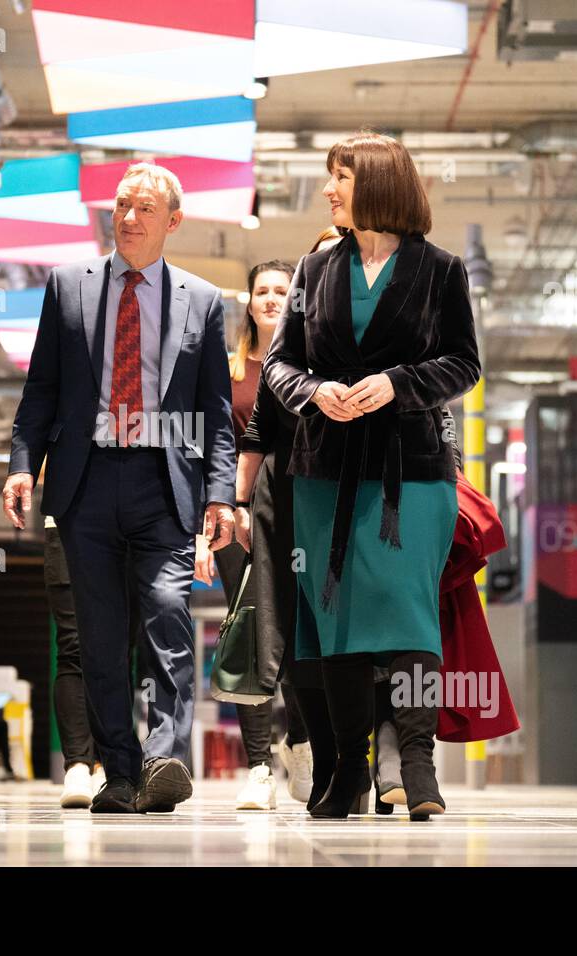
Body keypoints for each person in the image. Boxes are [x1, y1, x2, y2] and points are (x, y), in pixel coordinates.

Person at [4, 162, 237, 814]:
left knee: (166, 612)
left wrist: (221, 494)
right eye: (122, 205)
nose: (129, 218)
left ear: (173, 220)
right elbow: (42, 389)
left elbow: (216, 411)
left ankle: (165, 756)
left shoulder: (201, 299)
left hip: (164, 484)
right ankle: (121, 774)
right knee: (101, 637)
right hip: (87, 480)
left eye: (144, 208)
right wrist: (23, 462)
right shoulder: (68, 287)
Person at [263, 130, 480, 821]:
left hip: (411, 473)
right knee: (338, 622)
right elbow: (278, 364)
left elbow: (464, 363)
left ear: (378, 184)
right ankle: (348, 771)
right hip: (324, 467)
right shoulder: (313, 271)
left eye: (340, 178)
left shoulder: (440, 271)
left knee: (410, 615)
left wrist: (396, 384)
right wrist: (312, 393)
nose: (328, 190)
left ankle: (418, 768)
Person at [195, 260, 317, 810]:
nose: (271, 298)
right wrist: (224, 513)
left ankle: (304, 742)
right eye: (261, 291)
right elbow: (216, 449)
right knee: (250, 634)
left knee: (298, 638)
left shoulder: (315, 362)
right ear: (247, 302)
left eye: (281, 290)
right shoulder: (228, 370)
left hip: (302, 513)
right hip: (240, 520)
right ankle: (260, 767)